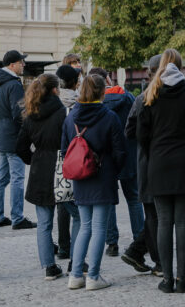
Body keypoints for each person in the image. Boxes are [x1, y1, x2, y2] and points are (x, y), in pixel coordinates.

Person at [138, 49, 185, 293]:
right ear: (180, 65)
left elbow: (140, 134)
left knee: (164, 222)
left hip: (158, 163)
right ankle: (181, 279)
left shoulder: (151, 93)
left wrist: (153, 151)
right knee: (183, 223)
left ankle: (166, 279)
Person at [60, 74, 125, 292]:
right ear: (101, 92)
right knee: (98, 228)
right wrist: (114, 170)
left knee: (84, 227)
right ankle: (94, 276)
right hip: (102, 175)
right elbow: (120, 151)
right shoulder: (109, 116)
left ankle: (76, 275)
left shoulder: (70, 118)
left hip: (80, 176)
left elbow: (64, 149)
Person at [20, 73, 80, 281]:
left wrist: (33, 158)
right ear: (55, 90)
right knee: (78, 215)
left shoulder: (30, 114)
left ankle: (49, 267)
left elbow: (19, 146)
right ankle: (77, 261)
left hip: (40, 168)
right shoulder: (63, 112)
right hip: (61, 166)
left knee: (44, 223)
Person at [91, 67, 140, 259]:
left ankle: (112, 243)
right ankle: (139, 239)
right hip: (129, 155)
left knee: (109, 202)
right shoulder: (128, 98)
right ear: (108, 80)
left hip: (107, 158)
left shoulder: (97, 104)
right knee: (134, 200)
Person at [123, 55, 163, 276]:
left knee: (153, 213)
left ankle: (137, 250)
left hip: (146, 161)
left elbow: (130, 131)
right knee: (156, 215)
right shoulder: (148, 97)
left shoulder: (141, 98)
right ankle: (156, 259)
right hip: (154, 161)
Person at [0, 50, 36, 230]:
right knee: (17, 178)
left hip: (3, 134)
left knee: (1, 179)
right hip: (14, 136)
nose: (23, 65)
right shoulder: (14, 84)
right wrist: (29, 128)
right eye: (21, 62)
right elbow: (19, 112)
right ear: (12, 65)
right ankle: (17, 217)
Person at [54, 63, 81, 259]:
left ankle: (63, 245)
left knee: (61, 202)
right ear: (75, 82)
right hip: (73, 154)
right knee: (76, 204)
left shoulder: (52, 102)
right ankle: (76, 250)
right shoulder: (77, 103)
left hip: (54, 155)